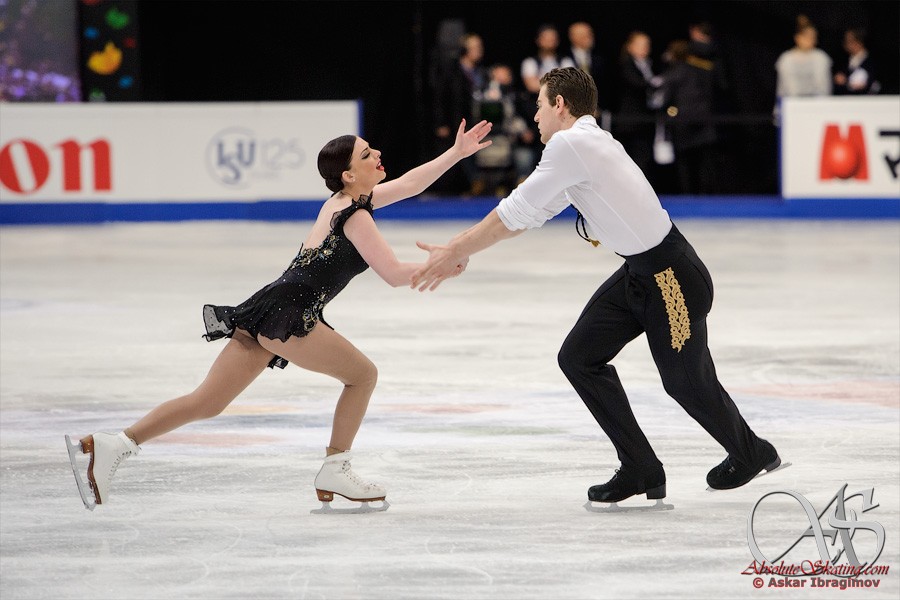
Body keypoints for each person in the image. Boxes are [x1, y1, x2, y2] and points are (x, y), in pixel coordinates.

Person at [65, 119, 493, 511]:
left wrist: (456, 153)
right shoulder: (355, 216)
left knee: (207, 402)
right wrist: (445, 263)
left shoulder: (344, 201)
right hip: (291, 313)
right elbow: (395, 274)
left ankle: (115, 443)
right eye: (366, 154)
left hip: (271, 306)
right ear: (349, 174)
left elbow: (411, 183)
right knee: (363, 376)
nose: (377, 154)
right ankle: (336, 467)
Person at [411, 67, 781, 507]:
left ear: (560, 104)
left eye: (539, 105)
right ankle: (641, 467)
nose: (535, 116)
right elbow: (528, 215)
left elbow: (513, 211)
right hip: (640, 274)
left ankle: (751, 452)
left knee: (686, 382)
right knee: (579, 357)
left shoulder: (572, 145)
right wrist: (463, 249)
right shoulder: (583, 146)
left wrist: (455, 248)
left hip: (672, 282)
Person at [658, 39, 719, 194]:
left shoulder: (672, 74)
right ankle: (706, 196)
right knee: (704, 163)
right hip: (702, 121)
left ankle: (687, 196)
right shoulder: (701, 70)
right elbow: (710, 94)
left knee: (684, 164)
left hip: (682, 124)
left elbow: (663, 101)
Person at [433, 33, 488, 194]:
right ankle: (457, 187)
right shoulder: (452, 70)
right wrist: (441, 122)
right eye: (475, 47)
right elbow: (440, 97)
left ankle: (477, 184)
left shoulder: (481, 72)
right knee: (455, 153)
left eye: (480, 47)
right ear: (465, 49)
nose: (479, 50)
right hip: (455, 119)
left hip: (476, 118)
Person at [615, 31, 660, 182]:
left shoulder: (649, 65)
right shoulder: (625, 65)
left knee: (645, 159)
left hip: (647, 120)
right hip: (631, 122)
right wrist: (657, 84)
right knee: (633, 160)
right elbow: (637, 84)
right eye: (640, 45)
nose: (644, 48)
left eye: (646, 45)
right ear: (630, 47)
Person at [774, 15, 832, 106]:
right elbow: (788, 86)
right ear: (797, 38)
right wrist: (798, 104)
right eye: (807, 37)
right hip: (791, 105)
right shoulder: (786, 58)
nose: (811, 41)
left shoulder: (820, 57)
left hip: (816, 105)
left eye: (813, 37)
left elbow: (823, 86)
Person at [833, 27, 881, 95]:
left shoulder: (871, 63)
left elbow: (869, 86)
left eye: (849, 41)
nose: (845, 44)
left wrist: (846, 82)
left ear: (859, 42)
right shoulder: (845, 61)